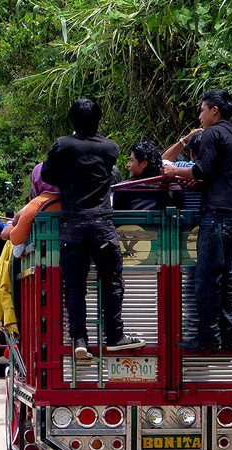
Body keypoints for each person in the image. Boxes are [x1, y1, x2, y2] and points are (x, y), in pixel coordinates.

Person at [41, 98, 146, 359]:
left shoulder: (63, 145)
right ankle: (114, 336)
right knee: (111, 281)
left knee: (75, 286)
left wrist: (67, 178)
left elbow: (46, 175)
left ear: (72, 120)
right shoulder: (111, 148)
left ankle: (79, 339)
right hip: (101, 225)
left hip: (72, 225)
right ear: (99, 120)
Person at [162, 89, 232, 352]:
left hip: (216, 215)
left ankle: (208, 338)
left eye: (202, 109)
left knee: (207, 278)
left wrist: (174, 170)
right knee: (226, 279)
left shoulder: (213, 133)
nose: (200, 115)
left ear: (214, 110)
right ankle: (229, 337)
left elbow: (202, 169)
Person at [113, 140, 174, 210]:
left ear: (144, 164)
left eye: (132, 160)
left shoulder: (122, 189)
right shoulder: (174, 189)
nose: (128, 165)